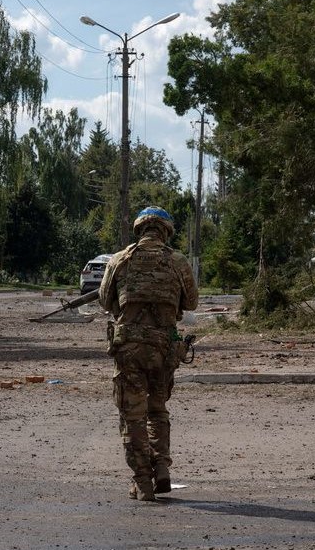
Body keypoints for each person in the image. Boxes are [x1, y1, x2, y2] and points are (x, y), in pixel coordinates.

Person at [99, 206, 199, 502]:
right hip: (163, 350)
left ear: (140, 229)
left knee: (133, 415)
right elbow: (191, 302)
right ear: (166, 231)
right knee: (157, 410)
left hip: (129, 349)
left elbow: (105, 300)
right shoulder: (177, 262)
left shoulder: (120, 260)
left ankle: (143, 480)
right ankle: (162, 468)